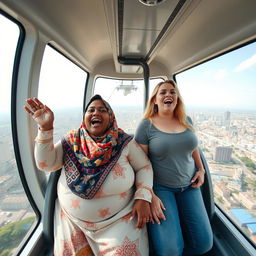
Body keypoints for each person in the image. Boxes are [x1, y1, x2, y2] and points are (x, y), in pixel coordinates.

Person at [24, 94, 153, 256]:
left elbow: (144, 167)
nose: (95, 113)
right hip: (73, 222)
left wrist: (143, 196)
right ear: (84, 117)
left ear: (111, 117)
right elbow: (46, 164)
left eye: (102, 110)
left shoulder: (124, 142)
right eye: (90, 110)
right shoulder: (71, 141)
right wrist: (45, 129)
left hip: (118, 221)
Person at [134, 80, 213, 256]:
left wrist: (201, 170)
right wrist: (150, 195)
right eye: (163, 92)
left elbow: (192, 148)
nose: (168, 95)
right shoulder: (146, 125)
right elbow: (140, 164)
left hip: (190, 186)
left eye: (172, 92)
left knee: (204, 245)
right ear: (154, 99)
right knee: (169, 250)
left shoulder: (187, 120)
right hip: (161, 189)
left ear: (177, 98)